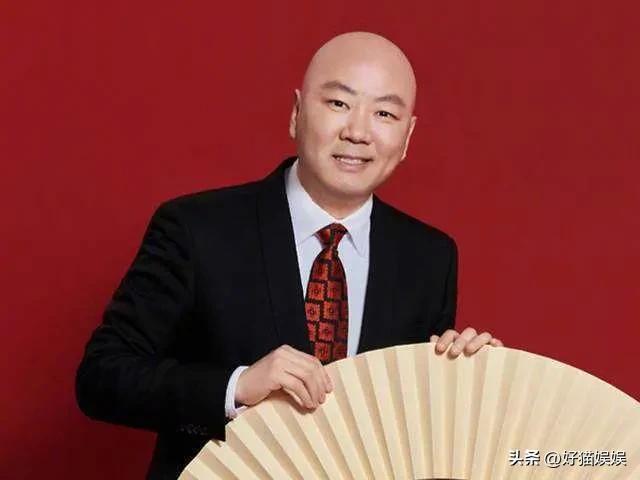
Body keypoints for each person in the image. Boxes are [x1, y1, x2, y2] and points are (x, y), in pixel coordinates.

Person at [76, 31, 503, 480]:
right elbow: (101, 376)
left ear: (407, 136)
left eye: (384, 113)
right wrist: (236, 386)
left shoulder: (429, 258)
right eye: (338, 103)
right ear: (297, 113)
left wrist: (462, 378)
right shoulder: (195, 228)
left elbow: (410, 428)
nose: (358, 132)